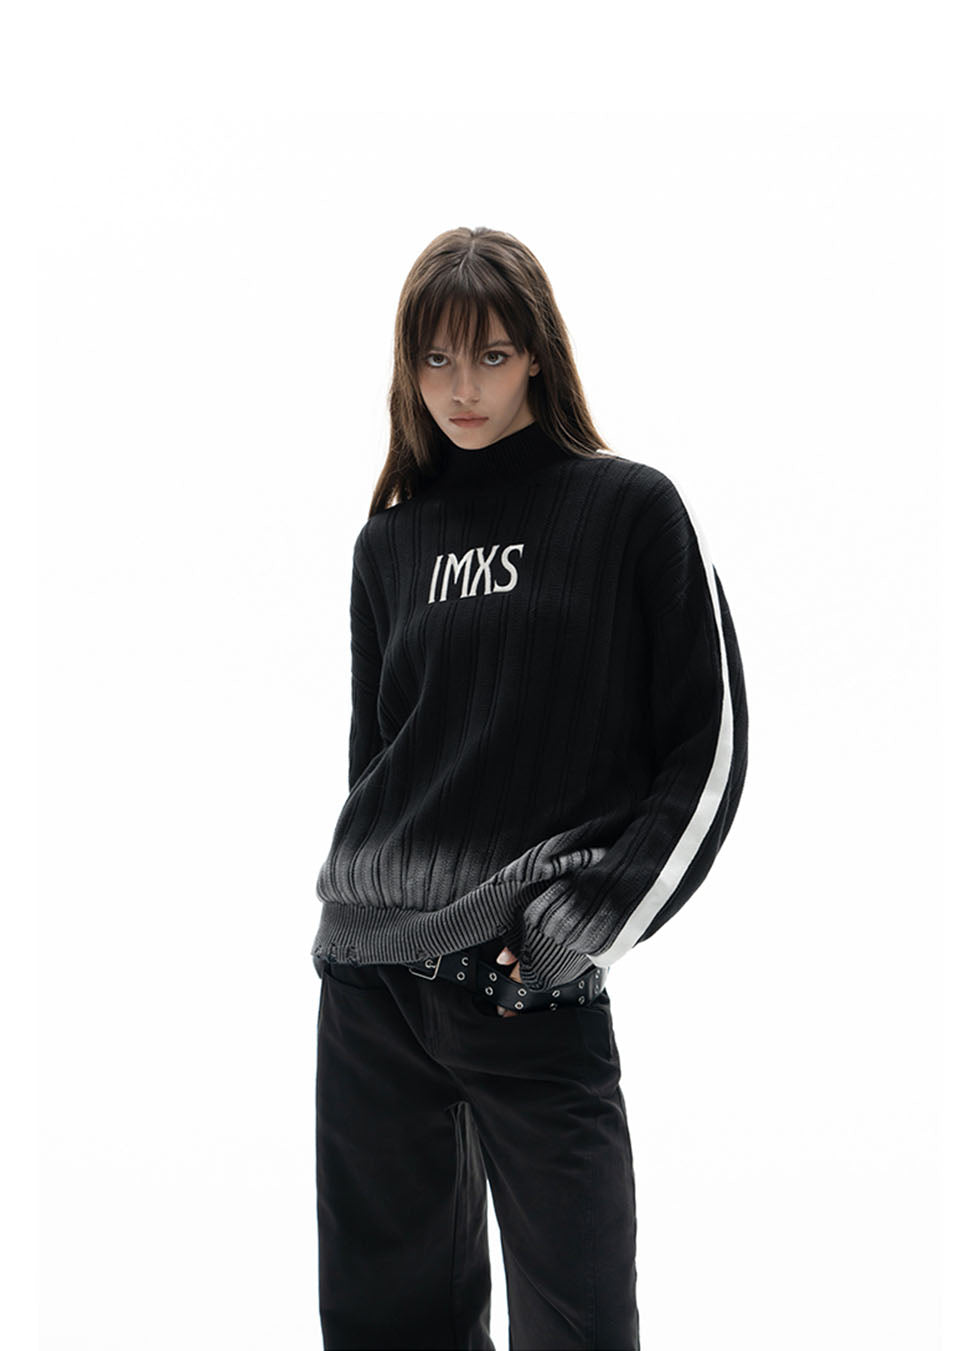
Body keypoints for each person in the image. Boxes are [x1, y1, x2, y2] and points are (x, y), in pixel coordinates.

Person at [311, 226, 749, 1350]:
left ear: (538, 356)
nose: (462, 388)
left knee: (579, 1322)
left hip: (527, 984)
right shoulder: (389, 547)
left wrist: (587, 920)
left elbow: (706, 753)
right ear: (407, 369)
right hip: (370, 992)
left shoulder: (628, 511)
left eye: (491, 356)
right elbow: (377, 766)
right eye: (436, 360)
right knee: (383, 1327)